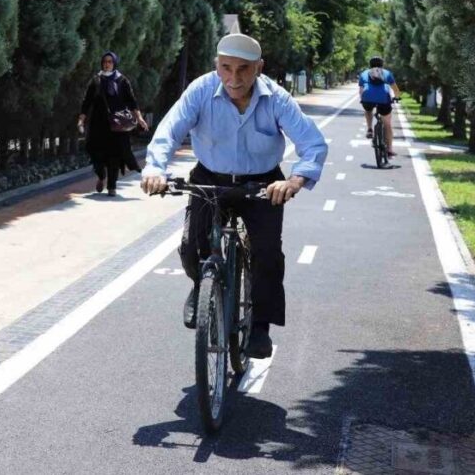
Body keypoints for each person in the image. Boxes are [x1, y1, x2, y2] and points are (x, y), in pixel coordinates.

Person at [140, 33, 328, 359]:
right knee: (190, 245)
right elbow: (169, 130)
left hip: (262, 184)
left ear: (259, 67)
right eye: (226, 68)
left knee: (267, 254)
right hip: (210, 178)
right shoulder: (200, 90)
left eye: (244, 69)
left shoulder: (278, 99)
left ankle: (259, 327)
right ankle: (201, 287)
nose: (234, 78)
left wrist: (295, 181)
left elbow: (312, 143)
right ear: (216, 65)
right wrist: (154, 170)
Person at [78, 52, 149, 196]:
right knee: (94, 151)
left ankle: (112, 186)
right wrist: (81, 119)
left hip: (117, 126)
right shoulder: (96, 80)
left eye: (110, 61)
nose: (107, 64)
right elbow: (87, 102)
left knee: (114, 155)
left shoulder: (122, 81)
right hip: (98, 125)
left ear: (114, 63)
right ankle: (101, 176)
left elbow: (132, 101)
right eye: (105, 61)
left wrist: (140, 118)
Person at [358, 56, 401, 156]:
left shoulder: (364, 73)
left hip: (367, 97)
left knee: (368, 110)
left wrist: (363, 99)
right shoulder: (387, 73)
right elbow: (395, 90)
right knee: (387, 124)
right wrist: (397, 97)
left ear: (370, 65)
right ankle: (390, 149)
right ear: (382, 64)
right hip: (383, 99)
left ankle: (369, 129)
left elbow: (361, 90)